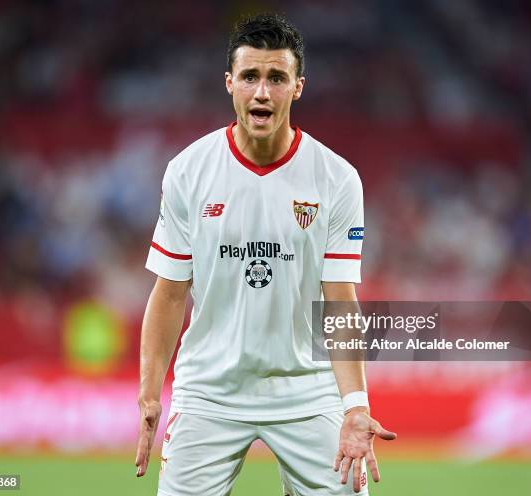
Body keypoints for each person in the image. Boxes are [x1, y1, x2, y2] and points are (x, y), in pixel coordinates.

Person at [135, 12, 396, 496]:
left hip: (307, 389)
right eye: (251, 77)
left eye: (276, 78)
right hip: (209, 390)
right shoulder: (188, 172)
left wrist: (355, 404)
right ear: (229, 83)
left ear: (298, 86)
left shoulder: (336, 178)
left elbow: (338, 300)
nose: (262, 91)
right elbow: (170, 292)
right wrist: (151, 393)